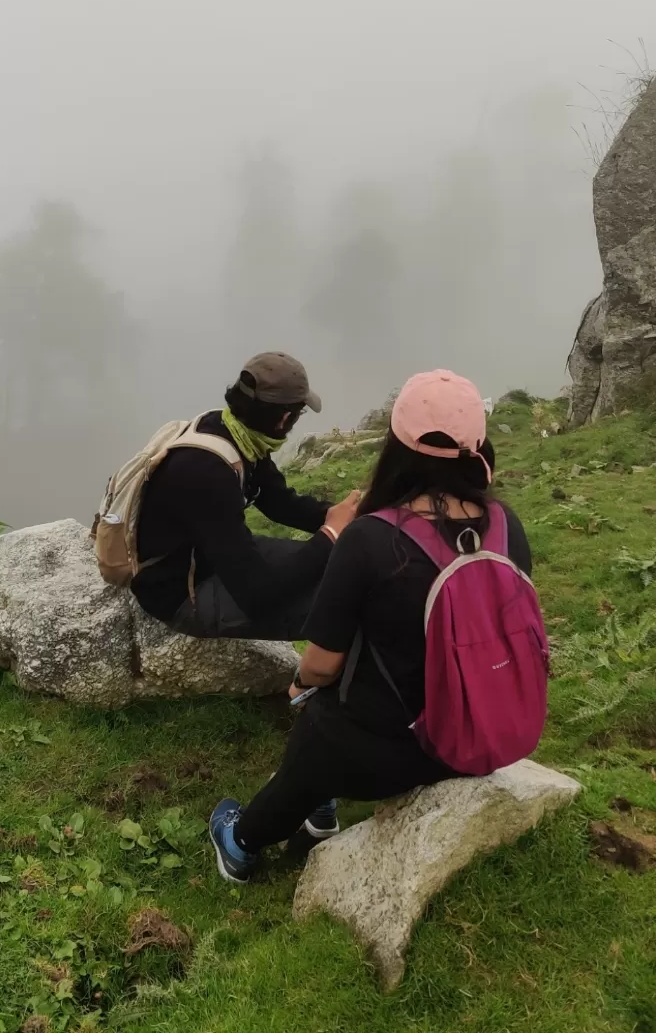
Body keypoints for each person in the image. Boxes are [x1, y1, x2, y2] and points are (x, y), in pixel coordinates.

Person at [209, 369, 535, 883]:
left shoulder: (369, 538)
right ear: (478, 445)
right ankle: (317, 811)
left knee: (316, 723)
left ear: (397, 445)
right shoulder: (504, 526)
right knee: (327, 721)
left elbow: (321, 664)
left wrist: (301, 684)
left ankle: (244, 842)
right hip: (479, 734)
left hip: (387, 755)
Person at [132, 352, 360, 642]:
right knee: (348, 602)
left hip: (216, 556)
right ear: (285, 418)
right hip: (182, 591)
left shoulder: (236, 432)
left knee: (347, 568)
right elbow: (259, 597)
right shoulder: (206, 472)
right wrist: (329, 535)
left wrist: (344, 519)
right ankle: (322, 682)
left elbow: (279, 503)